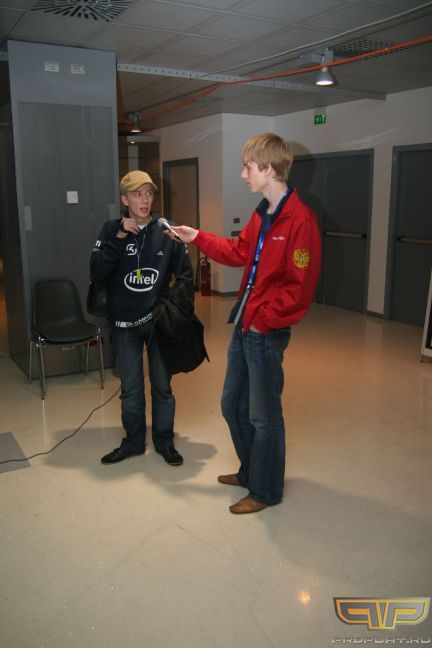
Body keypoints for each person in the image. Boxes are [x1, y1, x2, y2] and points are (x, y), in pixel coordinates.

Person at [169, 133, 321, 513]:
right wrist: (196, 236)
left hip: (264, 330)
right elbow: (238, 252)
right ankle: (252, 470)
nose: (243, 174)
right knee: (232, 405)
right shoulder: (263, 213)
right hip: (246, 322)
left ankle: (265, 491)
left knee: (264, 417)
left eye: (247, 167)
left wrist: (263, 321)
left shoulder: (300, 220)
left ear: (268, 169)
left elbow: (299, 289)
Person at [91, 170, 193, 466]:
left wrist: (179, 311)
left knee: (162, 387)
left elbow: (185, 274)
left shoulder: (166, 229)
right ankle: (134, 442)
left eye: (149, 193)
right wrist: (119, 237)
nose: (145, 200)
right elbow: (97, 271)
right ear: (125, 200)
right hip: (124, 325)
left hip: (158, 321)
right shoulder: (111, 230)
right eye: (137, 194)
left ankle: (164, 442)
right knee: (131, 390)